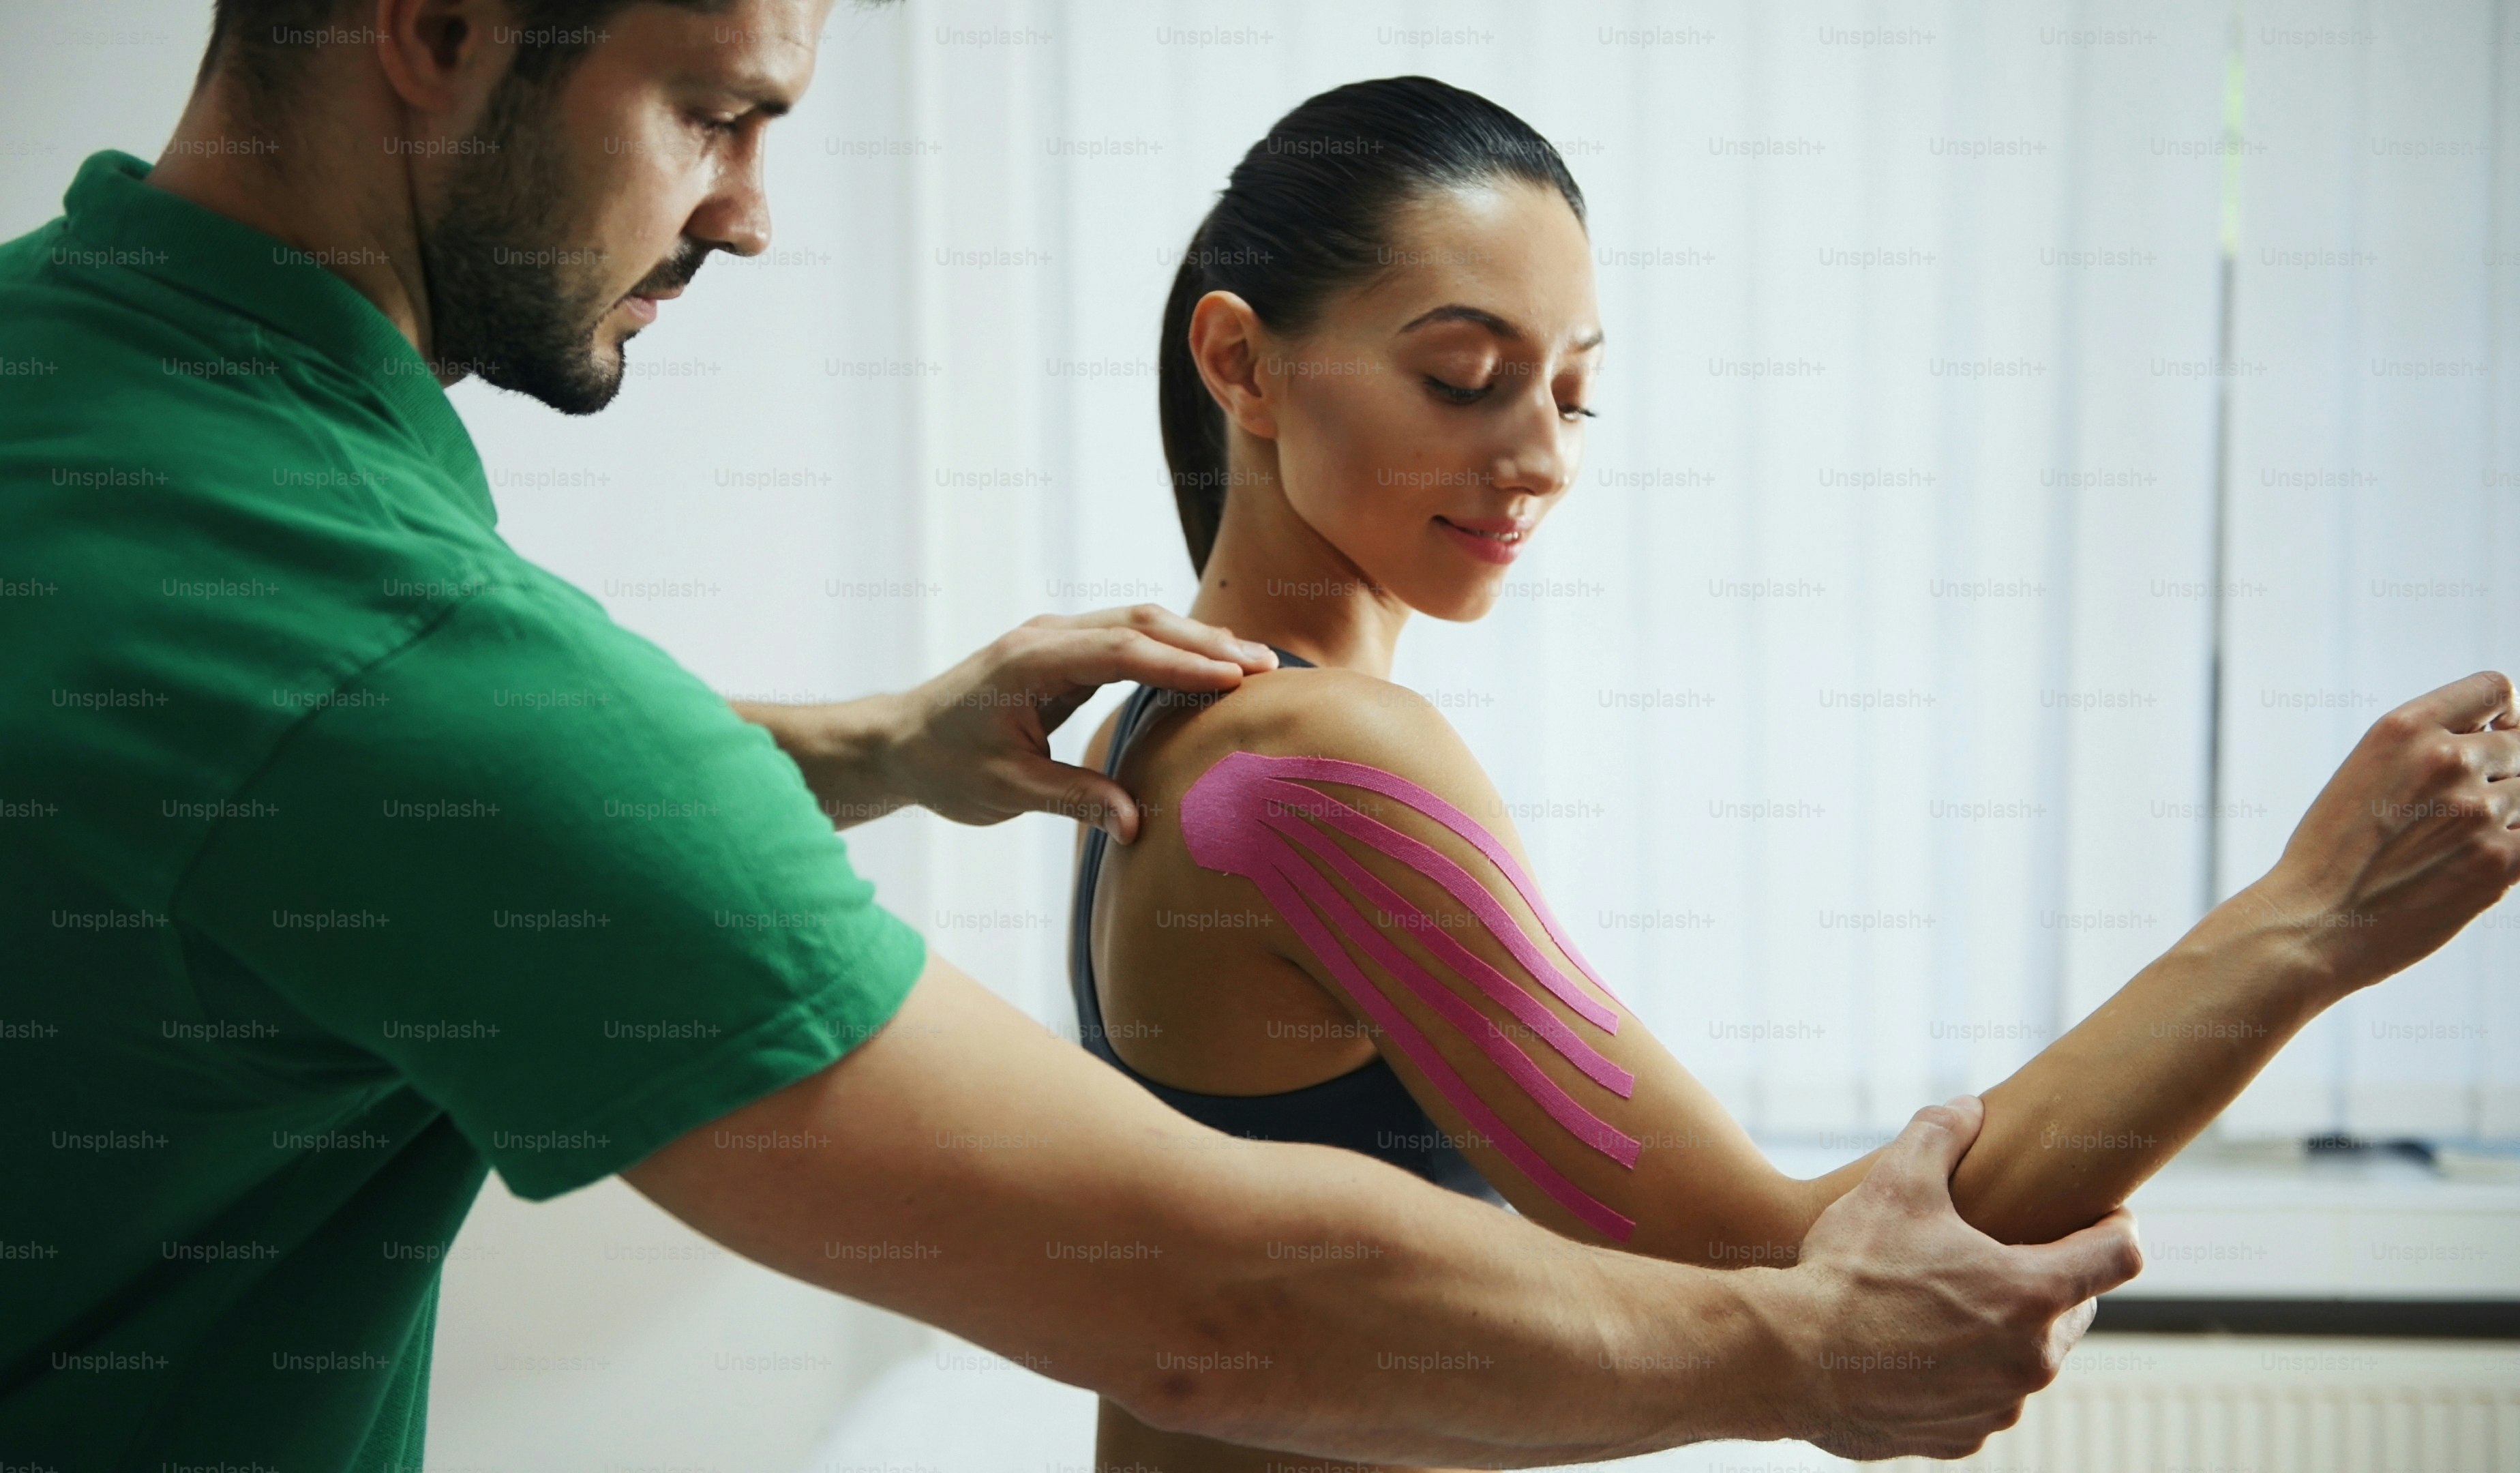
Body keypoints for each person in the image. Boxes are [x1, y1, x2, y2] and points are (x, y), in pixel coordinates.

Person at [0, 4, 2149, 1468]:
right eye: (720, 105)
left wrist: (887, 741)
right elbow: (1212, 1298)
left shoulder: (78, 408)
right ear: (443, 24)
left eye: (1571, 389)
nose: (751, 209)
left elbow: (277, 787)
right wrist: (1801, 1361)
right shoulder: (405, 658)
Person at [1069, 76, 2520, 1472]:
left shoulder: (1159, 718)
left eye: (1573, 398)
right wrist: (2310, 922)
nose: (1541, 458)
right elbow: (1790, 1260)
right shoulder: (1315, 756)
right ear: (1240, 363)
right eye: (1465, 378)